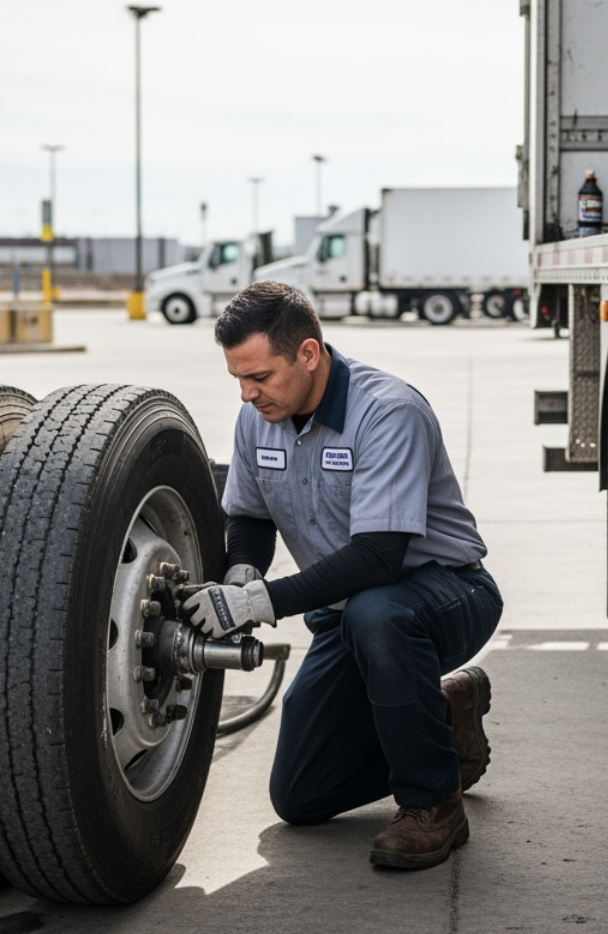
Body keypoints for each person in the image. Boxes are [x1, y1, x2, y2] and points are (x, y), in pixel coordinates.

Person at [183, 281, 502, 870]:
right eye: (238, 379)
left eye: (260, 377)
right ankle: (442, 719)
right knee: (301, 794)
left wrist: (257, 603)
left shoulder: (387, 413)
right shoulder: (257, 418)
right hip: (346, 615)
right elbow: (250, 515)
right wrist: (241, 569)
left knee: (378, 610)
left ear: (308, 353)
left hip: (445, 595)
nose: (248, 394)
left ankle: (433, 803)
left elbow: (379, 558)